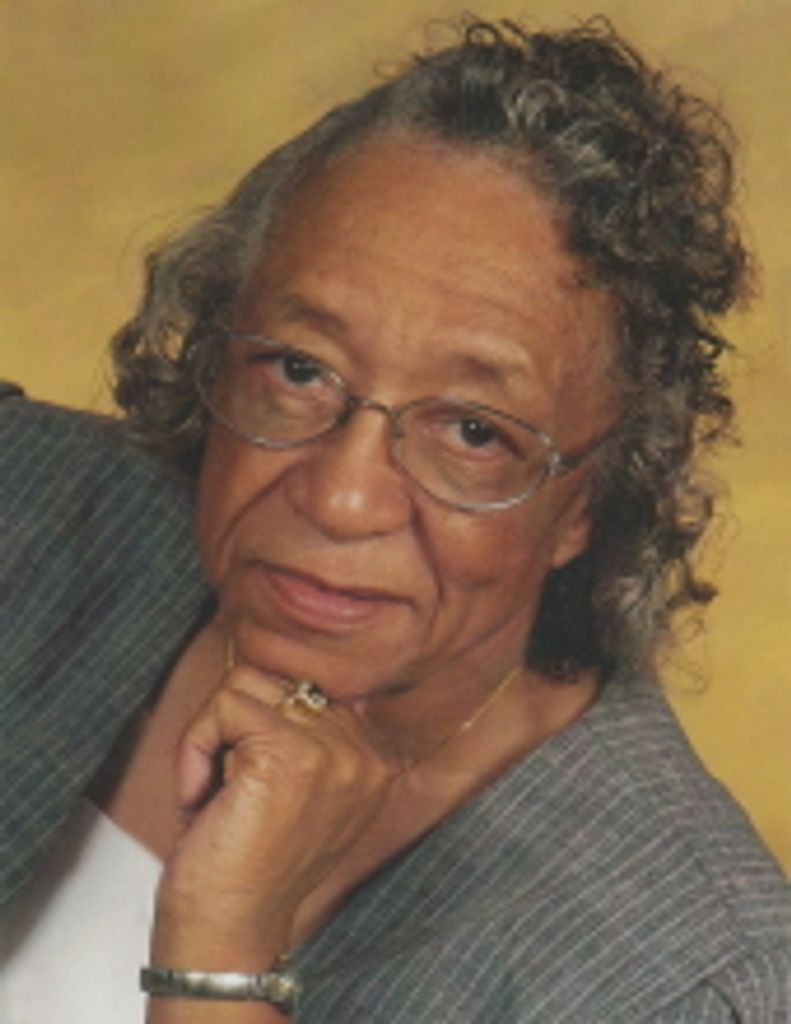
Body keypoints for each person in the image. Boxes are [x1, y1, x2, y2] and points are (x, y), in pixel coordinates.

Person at [2, 16, 789, 1024]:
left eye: (472, 431)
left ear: (590, 500)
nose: (342, 497)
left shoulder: (683, 981)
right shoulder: (23, 500)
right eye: (298, 370)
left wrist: (221, 962)